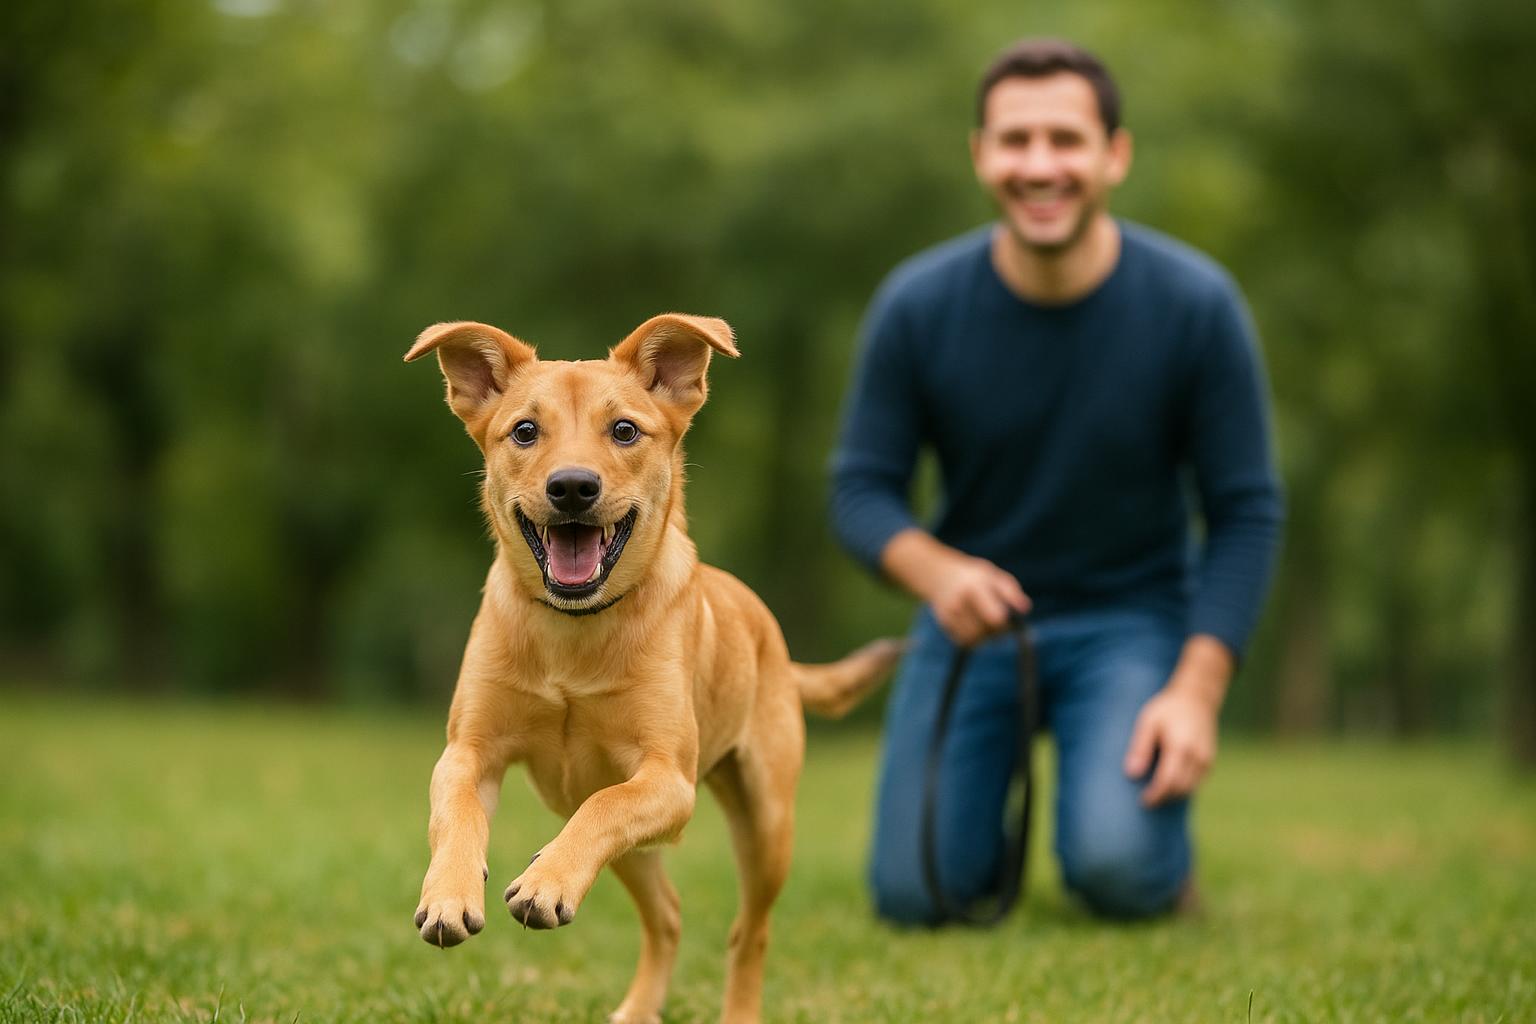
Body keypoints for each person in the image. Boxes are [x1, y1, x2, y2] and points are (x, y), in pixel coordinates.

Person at [829, 37, 1284, 922]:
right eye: (1016, 141)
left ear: (1115, 153)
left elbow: (1246, 511)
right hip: (972, 622)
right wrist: (935, 571)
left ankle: (1134, 842)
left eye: (1066, 141)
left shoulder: (1197, 305)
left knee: (1117, 872)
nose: (1040, 165)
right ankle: (969, 828)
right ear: (981, 156)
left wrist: (1196, 690)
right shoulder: (916, 306)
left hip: (1133, 623)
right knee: (915, 895)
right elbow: (859, 488)